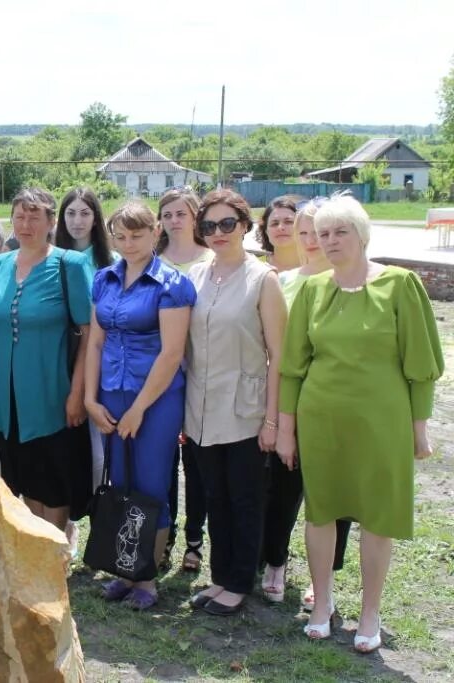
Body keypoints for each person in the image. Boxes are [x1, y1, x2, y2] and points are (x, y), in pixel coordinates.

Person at [277, 195, 442, 651]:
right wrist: (286, 429)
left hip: (382, 421)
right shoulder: (312, 290)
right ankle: (322, 602)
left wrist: (420, 427)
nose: (329, 241)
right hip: (320, 417)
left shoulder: (401, 285)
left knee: (376, 516)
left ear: (362, 235)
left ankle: (371, 610)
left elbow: (421, 362)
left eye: (339, 232)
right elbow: (293, 366)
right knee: (321, 511)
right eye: (323, 233)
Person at [84, 202, 195, 610]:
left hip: (157, 399)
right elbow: (95, 342)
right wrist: (90, 398)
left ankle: (146, 577)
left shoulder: (171, 284)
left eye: (137, 235)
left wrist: (139, 409)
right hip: (112, 393)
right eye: (121, 236)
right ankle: (125, 569)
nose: (128, 243)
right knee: (121, 484)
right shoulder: (104, 279)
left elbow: (171, 354)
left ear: (155, 234)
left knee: (150, 486)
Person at [185, 189, 287, 616]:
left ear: (245, 226)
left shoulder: (263, 278)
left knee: (244, 497)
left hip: (245, 409)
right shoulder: (195, 274)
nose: (218, 232)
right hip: (200, 409)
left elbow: (280, 356)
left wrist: (272, 420)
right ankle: (221, 576)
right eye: (209, 226)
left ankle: (240, 580)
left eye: (228, 223)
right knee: (214, 496)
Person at [0, 188, 92, 536]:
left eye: (35, 216)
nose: (26, 224)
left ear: (50, 222)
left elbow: (90, 335)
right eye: (19, 216)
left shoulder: (69, 265)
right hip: (4, 401)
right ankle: (36, 548)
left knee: (53, 482)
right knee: (24, 480)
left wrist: (77, 394)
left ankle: (55, 552)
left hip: (51, 396)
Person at [259, 198, 352, 605]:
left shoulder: (352, 280)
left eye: (319, 231)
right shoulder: (284, 280)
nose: (311, 240)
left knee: (336, 493)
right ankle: (275, 560)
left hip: (339, 401)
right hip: (292, 397)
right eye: (304, 232)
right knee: (282, 487)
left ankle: (325, 574)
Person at [55, 187, 116, 553]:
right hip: (56, 362)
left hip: (99, 363)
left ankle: (101, 526)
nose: (77, 221)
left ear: (96, 218)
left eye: (84, 213)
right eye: (70, 213)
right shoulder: (52, 259)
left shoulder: (109, 263)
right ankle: (67, 525)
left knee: (97, 454)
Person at [156, 186, 211, 573]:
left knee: (196, 464)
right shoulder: (153, 261)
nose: (174, 220)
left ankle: (195, 541)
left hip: (203, 373)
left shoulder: (210, 260)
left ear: (195, 218)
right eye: (168, 214)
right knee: (163, 463)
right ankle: (165, 535)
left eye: (181, 213)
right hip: (161, 374)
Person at [257, 195, 302, 271]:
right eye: (274, 223)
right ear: (266, 231)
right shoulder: (255, 268)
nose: (280, 227)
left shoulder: (321, 267)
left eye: (288, 222)